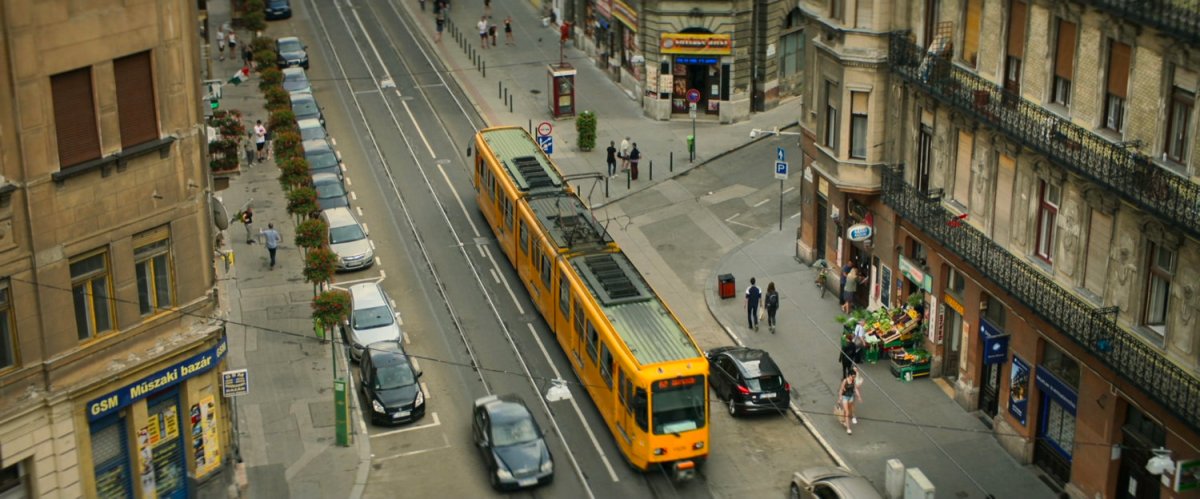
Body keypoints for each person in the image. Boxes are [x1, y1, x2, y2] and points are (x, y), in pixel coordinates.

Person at [838, 368, 863, 434]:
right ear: (849, 375)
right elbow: (841, 389)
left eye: (854, 377)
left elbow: (855, 389)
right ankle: (848, 428)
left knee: (850, 409)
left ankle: (844, 420)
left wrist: (859, 397)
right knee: (847, 412)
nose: (853, 378)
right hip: (845, 397)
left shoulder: (853, 381)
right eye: (853, 376)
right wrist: (840, 398)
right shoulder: (845, 381)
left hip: (851, 397)